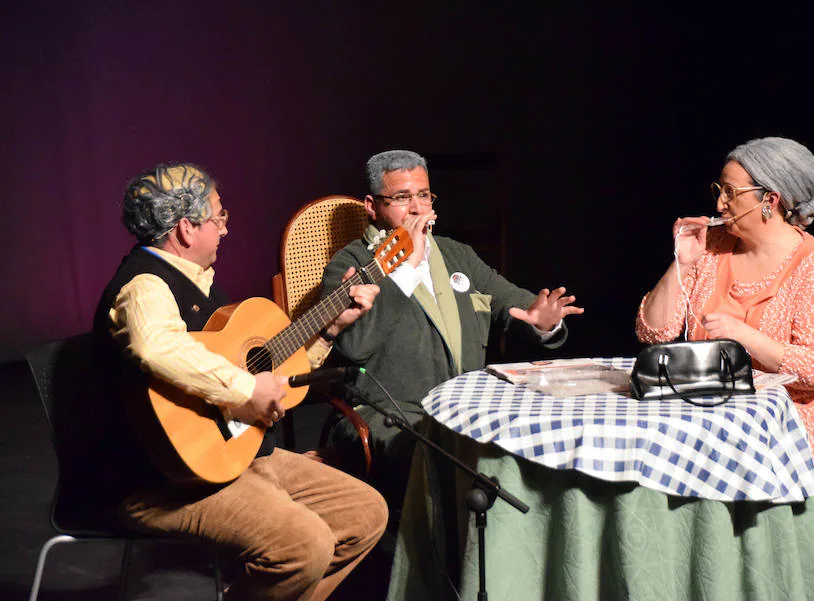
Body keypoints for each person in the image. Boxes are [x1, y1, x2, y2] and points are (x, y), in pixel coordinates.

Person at [93, 162, 388, 601]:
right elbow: (157, 347)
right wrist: (247, 391)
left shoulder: (201, 282)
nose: (225, 229)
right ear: (187, 229)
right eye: (219, 217)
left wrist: (330, 327)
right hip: (165, 481)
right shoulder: (144, 286)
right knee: (305, 546)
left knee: (366, 513)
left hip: (236, 453)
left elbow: (274, 371)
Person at [321, 149, 584, 509]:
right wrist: (407, 269)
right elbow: (354, 344)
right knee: (448, 461)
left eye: (424, 195)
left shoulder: (456, 255)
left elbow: (512, 300)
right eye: (401, 198)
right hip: (391, 414)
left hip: (466, 408)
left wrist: (542, 320)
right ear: (372, 205)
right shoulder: (351, 264)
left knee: (538, 443)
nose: (416, 209)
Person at [636, 136, 814, 467]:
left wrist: (744, 336)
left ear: (770, 199)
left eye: (731, 193)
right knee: (652, 425)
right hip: (715, 401)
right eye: (719, 190)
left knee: (715, 438)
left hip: (797, 409)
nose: (720, 205)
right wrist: (681, 262)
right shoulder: (711, 248)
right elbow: (652, 332)